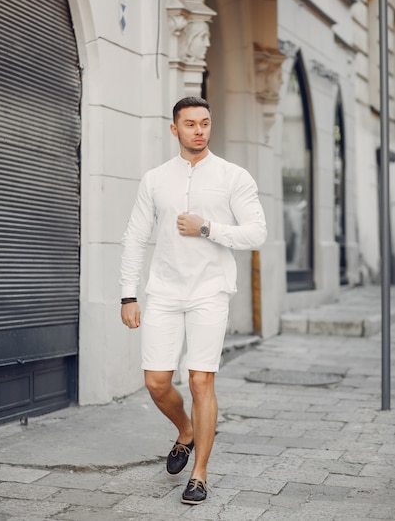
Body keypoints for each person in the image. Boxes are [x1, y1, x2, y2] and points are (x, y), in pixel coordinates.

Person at [120, 96, 267, 505]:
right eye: (190, 124)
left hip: (210, 291)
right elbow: (134, 237)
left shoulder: (233, 176)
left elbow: (257, 233)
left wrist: (207, 229)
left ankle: (199, 474)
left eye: (204, 122)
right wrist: (128, 294)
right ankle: (185, 430)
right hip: (164, 291)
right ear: (175, 130)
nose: (199, 130)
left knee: (201, 380)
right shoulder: (155, 179)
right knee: (156, 382)